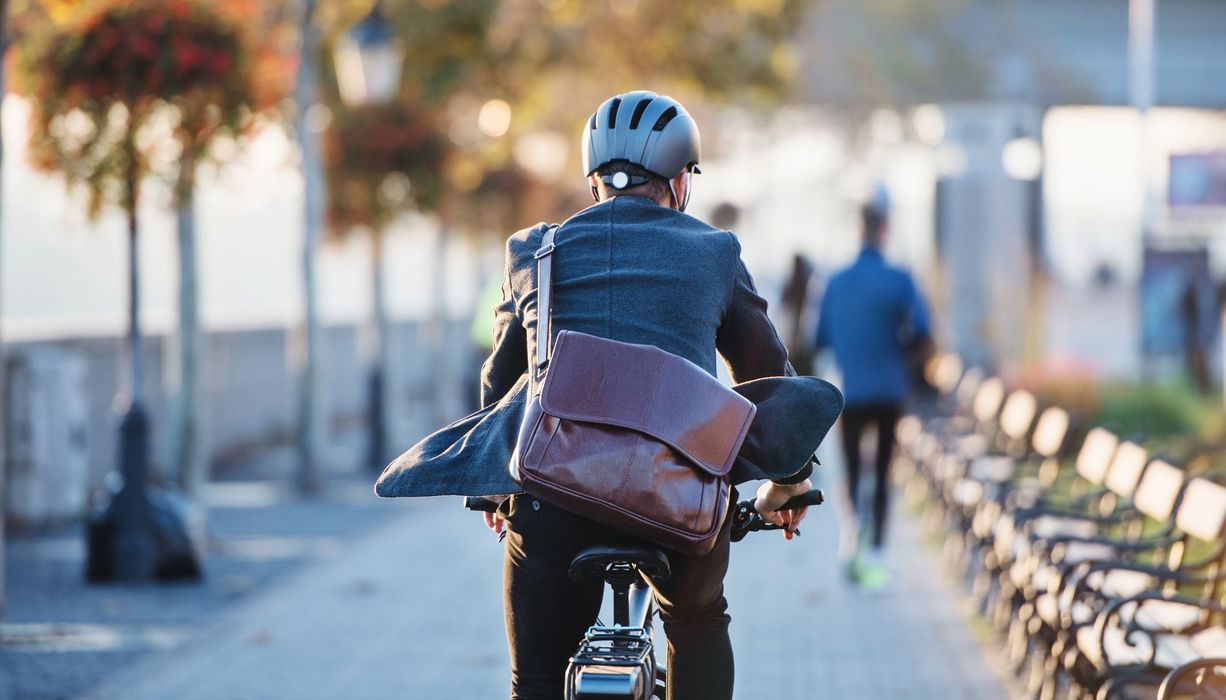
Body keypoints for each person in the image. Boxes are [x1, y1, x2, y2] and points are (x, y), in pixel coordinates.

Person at [479, 91, 813, 700]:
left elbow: (501, 386)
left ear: (592, 184)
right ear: (682, 182)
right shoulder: (715, 252)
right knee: (696, 619)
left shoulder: (534, 251)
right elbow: (769, 380)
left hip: (555, 496)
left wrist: (494, 489)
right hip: (678, 496)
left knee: (536, 680)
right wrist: (787, 484)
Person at [815, 190, 930, 590]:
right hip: (889, 389)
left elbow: (821, 337)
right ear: (885, 230)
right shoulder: (900, 280)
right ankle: (878, 551)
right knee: (881, 471)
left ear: (858, 229)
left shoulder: (836, 282)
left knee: (848, 469)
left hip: (849, 391)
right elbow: (922, 332)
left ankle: (851, 536)